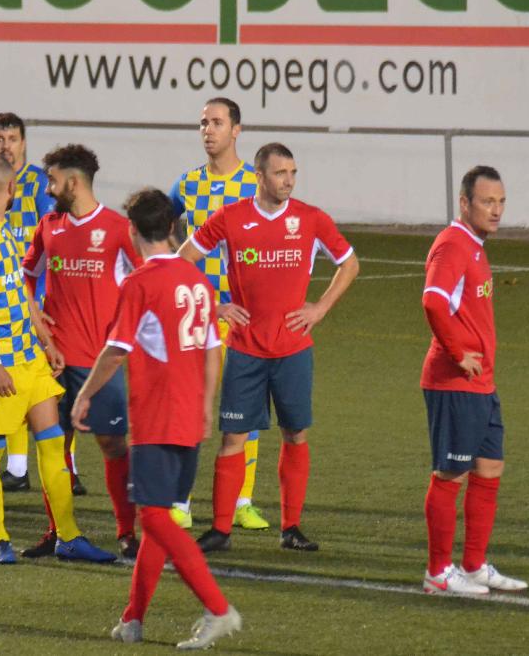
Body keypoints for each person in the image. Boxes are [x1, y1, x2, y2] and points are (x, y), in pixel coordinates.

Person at [72, 188, 241, 650]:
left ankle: (217, 608)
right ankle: (133, 619)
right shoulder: (198, 280)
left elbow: (115, 351)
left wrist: (84, 394)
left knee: (154, 517)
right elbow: (213, 349)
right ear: (171, 228)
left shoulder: (140, 283)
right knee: (157, 518)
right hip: (190, 416)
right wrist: (207, 406)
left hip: (157, 417)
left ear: (131, 231)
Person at [182, 143, 359, 553]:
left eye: (293, 172)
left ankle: (291, 528)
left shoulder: (311, 219)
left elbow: (349, 264)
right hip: (245, 350)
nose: (289, 181)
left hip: (293, 350)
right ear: (259, 177)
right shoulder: (230, 217)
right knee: (233, 438)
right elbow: (182, 259)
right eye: (280, 173)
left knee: (295, 433)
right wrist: (215, 305)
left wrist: (320, 308)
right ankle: (221, 530)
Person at [0, 156, 115, 565]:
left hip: (29, 358)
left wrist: (46, 340)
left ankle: (68, 536)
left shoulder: (3, 230)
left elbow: (20, 292)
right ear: (11, 189)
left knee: (52, 442)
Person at [20, 144, 141, 558]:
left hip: (100, 364)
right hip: (53, 360)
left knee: (113, 445)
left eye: (52, 181)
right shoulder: (48, 225)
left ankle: (126, 531)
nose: (47, 188)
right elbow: (24, 276)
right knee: (53, 445)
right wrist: (34, 314)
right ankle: (58, 531)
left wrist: (126, 331)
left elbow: (147, 281)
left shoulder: (118, 229)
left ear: (73, 182)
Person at [420, 166, 528, 595]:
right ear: (465, 203)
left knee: (489, 467)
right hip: (453, 382)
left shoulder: (475, 246)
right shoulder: (453, 245)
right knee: (450, 473)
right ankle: (437, 573)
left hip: (481, 384)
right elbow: (432, 301)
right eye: (487, 201)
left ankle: (474, 565)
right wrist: (457, 352)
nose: (496, 210)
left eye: (501, 202)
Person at [167, 97, 265, 531]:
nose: (208, 130)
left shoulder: (255, 185)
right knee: (191, 408)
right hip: (198, 316)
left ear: (237, 130)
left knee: (245, 412)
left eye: (217, 122)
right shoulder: (187, 184)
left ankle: (242, 501)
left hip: (244, 318)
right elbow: (163, 227)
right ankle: (180, 502)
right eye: (204, 123)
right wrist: (177, 257)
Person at [0, 112, 58, 492]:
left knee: (47, 384)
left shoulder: (39, 185)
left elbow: (53, 240)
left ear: (24, 143)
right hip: (3, 305)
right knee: (13, 379)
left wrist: (42, 299)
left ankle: (66, 467)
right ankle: (17, 468)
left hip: (38, 299)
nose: (6, 146)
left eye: (12, 139)